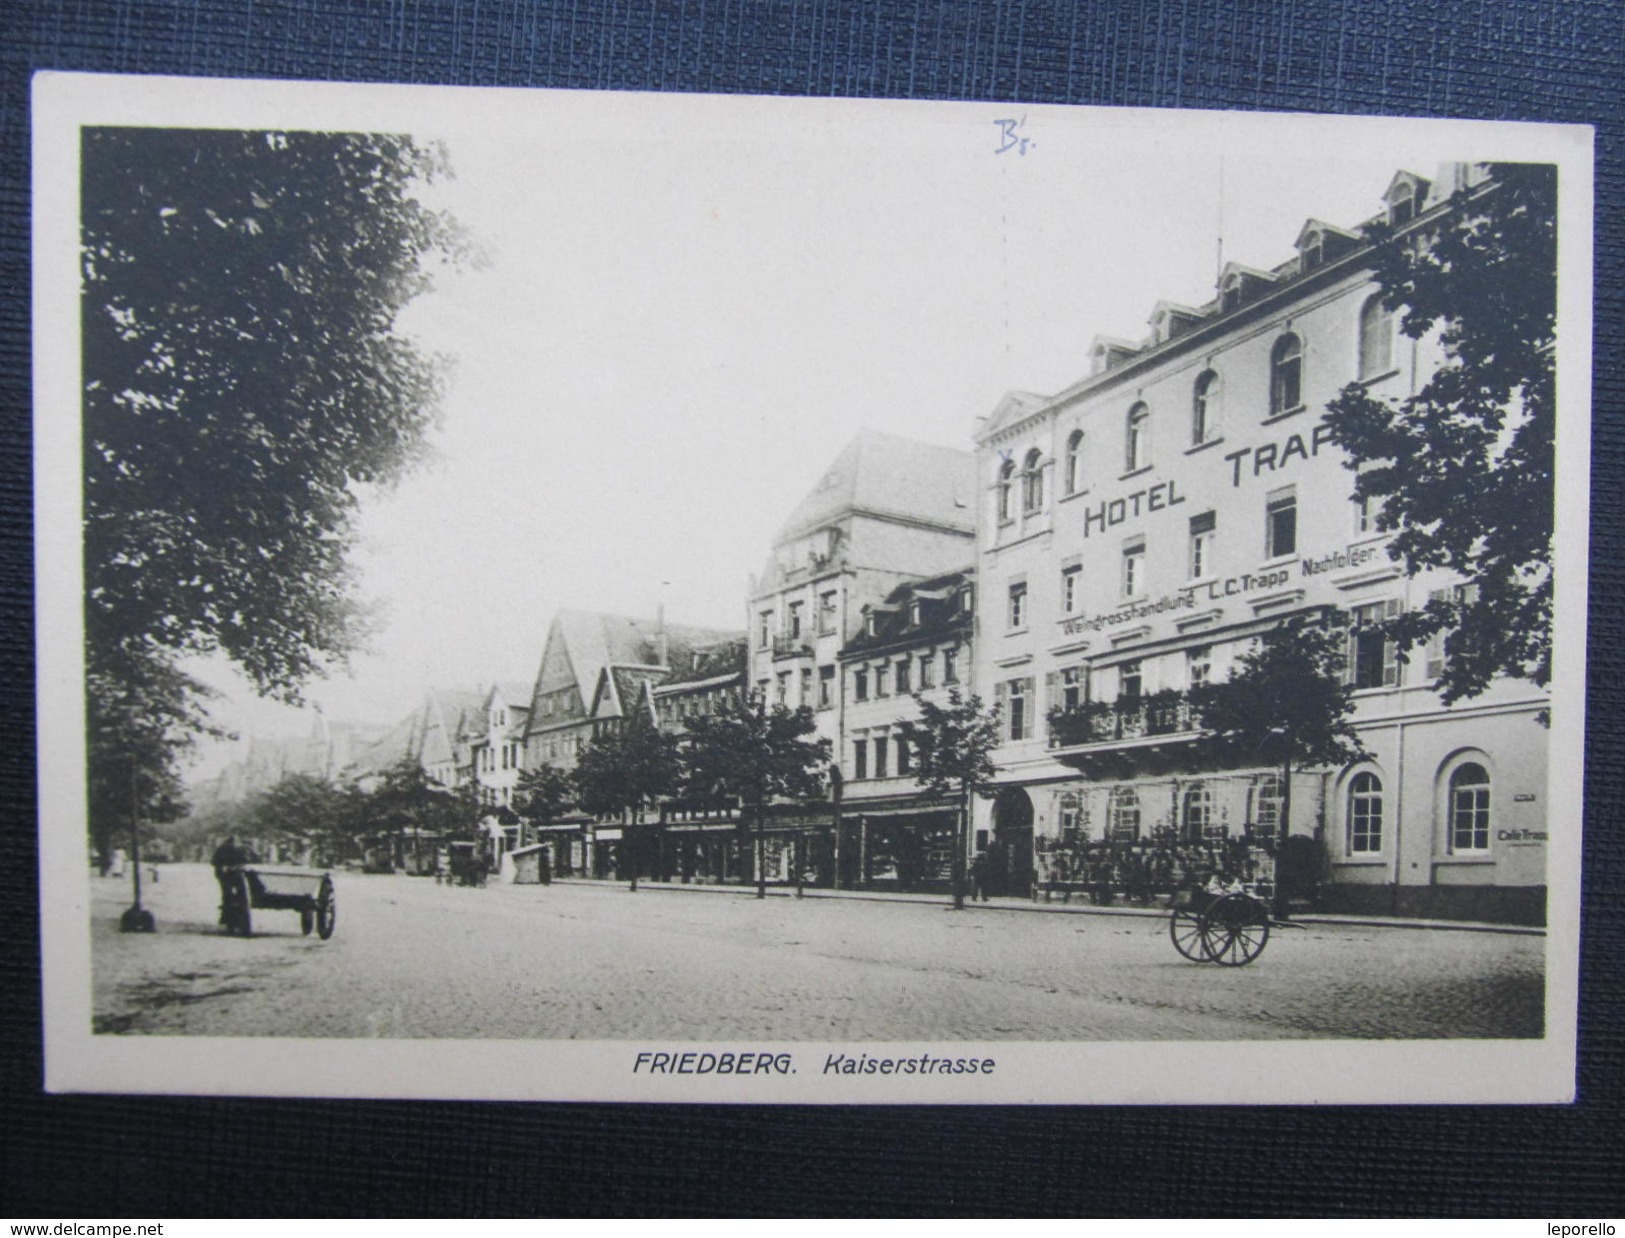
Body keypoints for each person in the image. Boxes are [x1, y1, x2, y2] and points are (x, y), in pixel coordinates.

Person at [212, 834, 250, 925]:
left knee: (227, 894)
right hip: (234, 875)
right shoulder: (240, 849)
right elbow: (246, 861)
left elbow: (214, 862)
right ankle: (238, 907)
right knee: (238, 893)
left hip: (226, 875)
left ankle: (226, 914)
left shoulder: (221, 849)